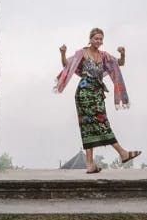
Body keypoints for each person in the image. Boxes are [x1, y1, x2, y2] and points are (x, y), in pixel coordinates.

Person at [55, 27, 141, 174]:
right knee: (99, 123)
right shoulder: (82, 53)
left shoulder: (104, 56)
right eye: (96, 38)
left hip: (97, 93)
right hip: (84, 93)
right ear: (90, 39)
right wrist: (63, 53)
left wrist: (123, 53)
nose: (99, 41)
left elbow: (119, 63)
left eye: (101, 39)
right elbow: (66, 65)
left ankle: (90, 165)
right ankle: (122, 153)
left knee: (92, 125)